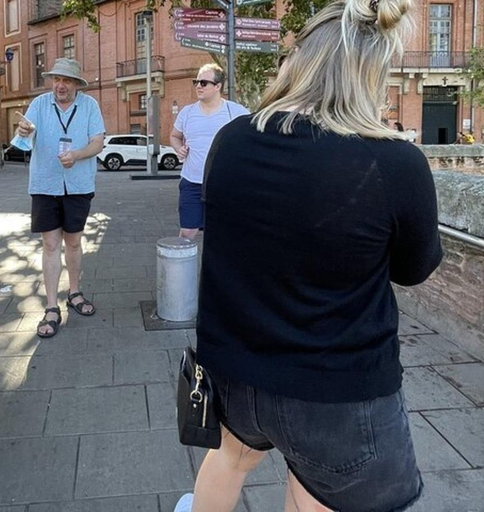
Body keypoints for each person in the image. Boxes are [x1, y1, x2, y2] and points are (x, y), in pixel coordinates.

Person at [173, 0, 443, 510]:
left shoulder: (232, 140)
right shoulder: (395, 163)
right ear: (372, 72)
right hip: (336, 389)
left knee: (229, 460)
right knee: (319, 485)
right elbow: (413, 269)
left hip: (235, 369)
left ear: (303, 60)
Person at [13, 58, 105, 338]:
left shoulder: (90, 106)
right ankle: (51, 306)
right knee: (50, 244)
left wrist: (76, 155)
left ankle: (74, 292)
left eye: (66, 80)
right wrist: (23, 132)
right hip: (45, 184)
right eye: (57, 79)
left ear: (77, 84)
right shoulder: (39, 104)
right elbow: (23, 137)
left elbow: (98, 142)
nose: (60, 85)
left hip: (78, 184)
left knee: (74, 242)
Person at [169, 64, 249, 239]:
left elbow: (253, 136)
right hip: (191, 182)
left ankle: (217, 266)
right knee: (188, 231)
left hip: (223, 183)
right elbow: (174, 136)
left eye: (204, 83)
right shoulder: (187, 112)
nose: (198, 86)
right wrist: (178, 148)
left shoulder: (235, 112)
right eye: (196, 82)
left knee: (222, 233)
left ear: (218, 86)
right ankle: (182, 266)